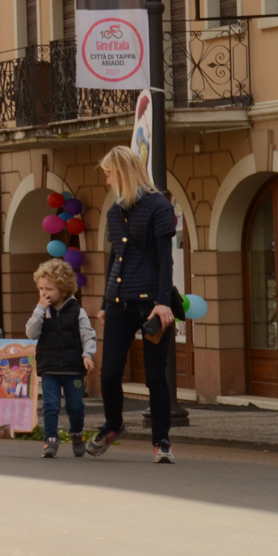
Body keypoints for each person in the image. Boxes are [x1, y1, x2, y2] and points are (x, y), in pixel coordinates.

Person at [92, 145, 179, 463]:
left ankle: (162, 441)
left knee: (155, 376)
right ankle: (113, 425)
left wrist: (162, 302)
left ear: (121, 173)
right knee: (109, 373)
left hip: (152, 306)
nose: (105, 180)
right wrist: (104, 302)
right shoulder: (115, 211)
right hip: (118, 304)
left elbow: (166, 258)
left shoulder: (158, 205)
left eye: (108, 174)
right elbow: (117, 255)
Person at [25, 259, 94, 459]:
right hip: (49, 367)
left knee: (75, 406)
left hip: (73, 367)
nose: (44, 294)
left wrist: (87, 355)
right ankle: (51, 439)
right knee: (51, 405)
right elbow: (31, 333)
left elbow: (88, 335)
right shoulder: (41, 311)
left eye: (49, 289)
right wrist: (39, 309)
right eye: (41, 289)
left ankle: (77, 433)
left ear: (63, 290)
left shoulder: (77, 311)